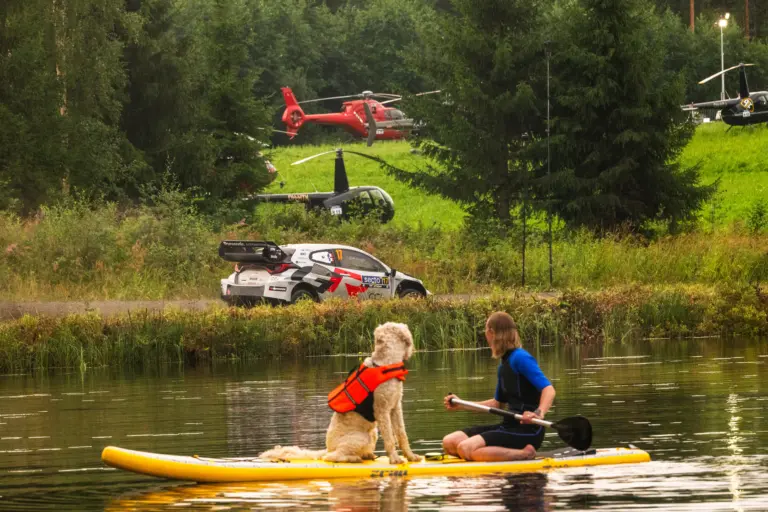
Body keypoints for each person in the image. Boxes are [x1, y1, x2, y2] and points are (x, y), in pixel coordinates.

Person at [442, 311, 556, 461]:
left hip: (529, 430)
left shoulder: (521, 358)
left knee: (465, 447)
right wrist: (462, 404)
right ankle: (486, 454)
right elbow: (497, 404)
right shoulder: (504, 365)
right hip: (508, 426)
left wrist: (539, 413)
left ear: (491, 332)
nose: (485, 335)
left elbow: (549, 389)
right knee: (450, 441)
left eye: (485, 330)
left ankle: (525, 454)